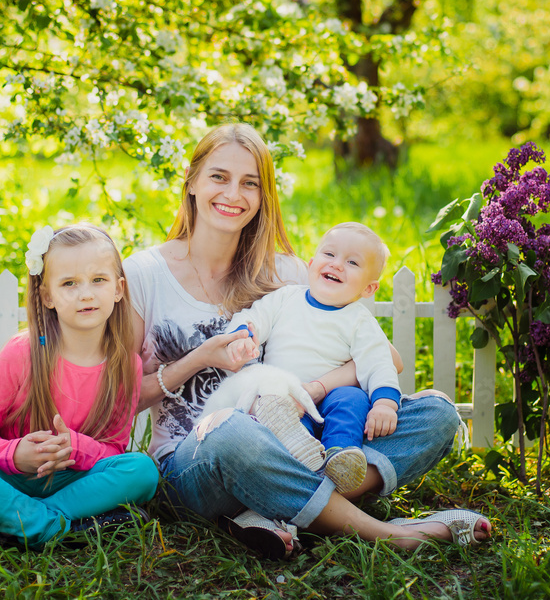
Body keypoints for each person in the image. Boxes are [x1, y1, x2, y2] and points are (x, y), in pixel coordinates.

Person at [123, 123, 491, 559]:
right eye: (219, 177)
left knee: (437, 414)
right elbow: (116, 398)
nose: (233, 194)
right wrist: (200, 358)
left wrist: (315, 390)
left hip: (300, 444)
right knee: (234, 432)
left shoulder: (288, 274)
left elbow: (385, 358)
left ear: (264, 197)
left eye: (250, 184)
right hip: (194, 464)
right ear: (192, 182)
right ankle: (387, 532)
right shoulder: (145, 274)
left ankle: (272, 510)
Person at [0, 223, 159, 551]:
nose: (86, 293)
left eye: (99, 280)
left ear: (119, 288)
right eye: (69, 283)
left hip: (73, 482)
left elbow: (114, 449)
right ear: (47, 296)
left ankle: (12, 525)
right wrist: (14, 455)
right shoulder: (22, 352)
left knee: (142, 472)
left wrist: (75, 448)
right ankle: (61, 528)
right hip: (9, 479)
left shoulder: (126, 365)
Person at [221, 221, 403, 494]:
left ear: (368, 289)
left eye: (352, 262)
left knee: (353, 399)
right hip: (287, 400)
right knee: (275, 416)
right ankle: (298, 459)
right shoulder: (286, 298)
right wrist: (243, 335)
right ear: (311, 264)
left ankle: (340, 456)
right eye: (329, 255)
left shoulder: (360, 321)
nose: (337, 264)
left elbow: (379, 362)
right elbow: (254, 317)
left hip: (332, 402)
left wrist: (386, 405)